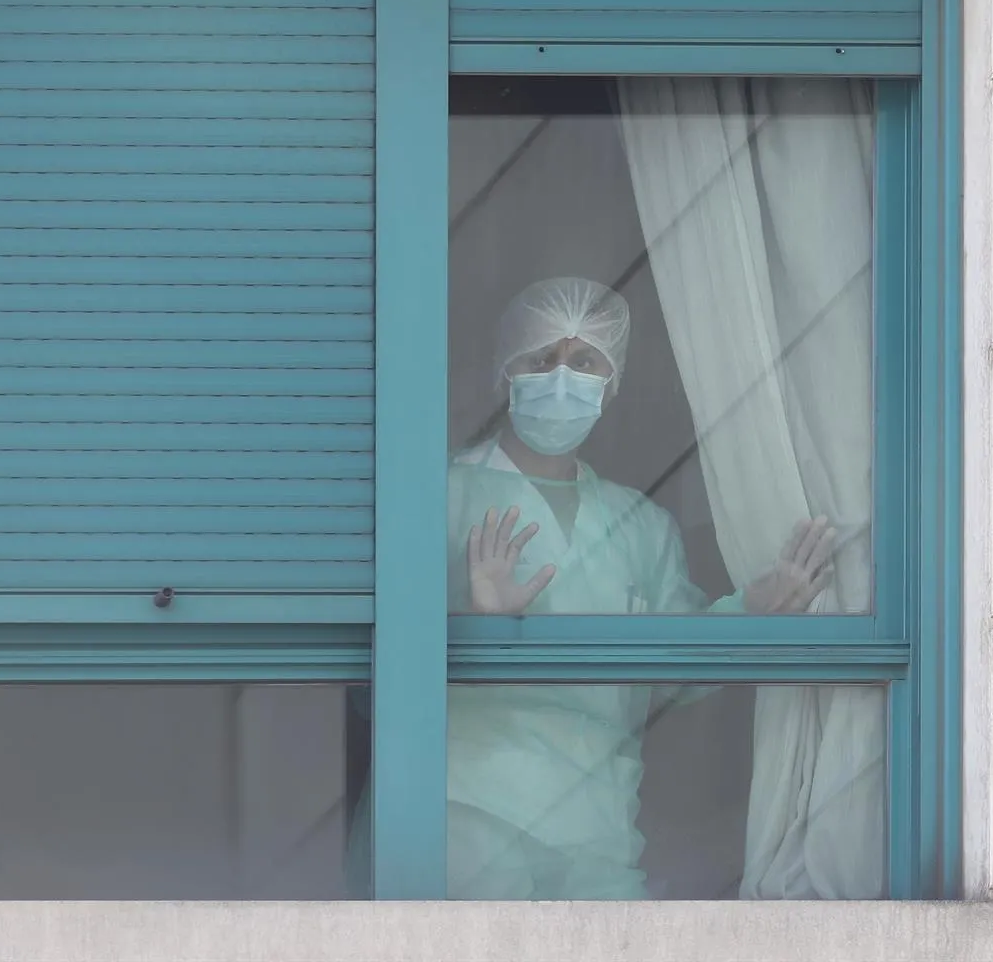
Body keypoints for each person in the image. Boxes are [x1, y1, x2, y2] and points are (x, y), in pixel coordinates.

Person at [347, 277, 837, 899]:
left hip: (598, 819)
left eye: (584, 362)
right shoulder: (437, 497)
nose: (561, 377)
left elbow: (673, 667)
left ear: (612, 383)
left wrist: (752, 610)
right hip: (461, 806)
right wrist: (472, 625)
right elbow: (369, 677)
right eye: (541, 359)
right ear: (507, 373)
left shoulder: (639, 525)